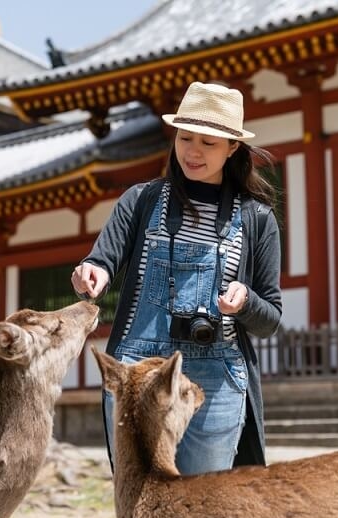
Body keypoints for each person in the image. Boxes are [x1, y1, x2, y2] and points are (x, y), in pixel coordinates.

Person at [71, 81, 282, 474]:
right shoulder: (140, 200)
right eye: (185, 138)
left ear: (233, 147)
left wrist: (246, 301)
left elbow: (270, 318)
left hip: (218, 377)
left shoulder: (258, 219)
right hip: (137, 372)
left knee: (203, 509)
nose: (193, 151)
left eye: (208, 142)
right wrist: (91, 273)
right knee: (141, 502)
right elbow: (101, 261)